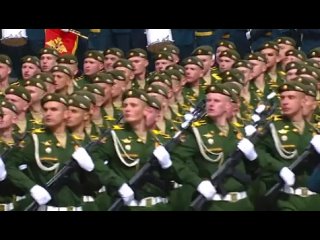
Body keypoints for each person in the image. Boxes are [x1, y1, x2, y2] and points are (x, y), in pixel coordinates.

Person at [169, 83, 259, 211]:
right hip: (214, 204)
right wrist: (198, 182)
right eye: (208, 100)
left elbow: (254, 172)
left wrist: (253, 158)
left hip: (242, 203)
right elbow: (175, 160)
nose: (211, 104)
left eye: (216, 101)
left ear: (228, 105)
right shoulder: (197, 131)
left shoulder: (240, 132)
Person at [6, 93, 99, 211]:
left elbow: (95, 185)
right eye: (45, 109)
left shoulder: (79, 143)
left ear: (66, 114)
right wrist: (32, 187)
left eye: (54, 109)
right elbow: (9, 166)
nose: (48, 113)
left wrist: (90, 170)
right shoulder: (34, 140)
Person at [256, 81, 320, 210]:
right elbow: (258, 152)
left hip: (314, 200)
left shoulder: (314, 131)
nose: (285, 102)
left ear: (303, 101)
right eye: (283, 98)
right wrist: (280, 168)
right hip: (286, 198)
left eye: (291, 97)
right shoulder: (272, 127)